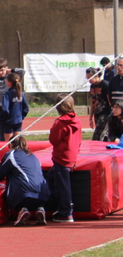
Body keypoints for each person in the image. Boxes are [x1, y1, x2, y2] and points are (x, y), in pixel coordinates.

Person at [0, 136, 50, 226]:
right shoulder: (32, 156)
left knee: (16, 179)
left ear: (10, 144)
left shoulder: (11, 155)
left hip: (24, 192)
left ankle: (22, 209)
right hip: (43, 192)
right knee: (22, 177)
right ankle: (40, 208)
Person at [47, 95, 82, 223]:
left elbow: (53, 140)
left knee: (63, 185)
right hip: (71, 154)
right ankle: (63, 205)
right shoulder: (76, 120)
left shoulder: (60, 122)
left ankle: (66, 212)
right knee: (51, 178)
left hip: (62, 156)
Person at [0, 72, 29, 141]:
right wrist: (21, 117)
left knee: (8, 143)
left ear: (9, 83)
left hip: (8, 121)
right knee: (17, 142)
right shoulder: (21, 94)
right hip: (18, 120)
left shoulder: (7, 94)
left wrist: (2, 118)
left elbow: (5, 109)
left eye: (7, 80)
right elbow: (26, 108)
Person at [86, 67, 111, 141]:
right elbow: (92, 103)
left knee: (98, 136)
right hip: (97, 113)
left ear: (96, 75)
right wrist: (90, 118)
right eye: (87, 78)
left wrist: (111, 114)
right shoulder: (92, 86)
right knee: (103, 136)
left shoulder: (105, 84)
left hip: (105, 113)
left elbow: (109, 100)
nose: (88, 80)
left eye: (90, 77)